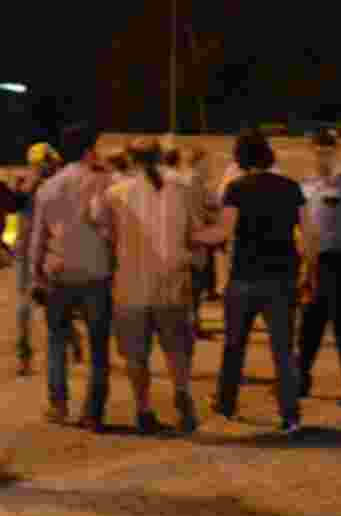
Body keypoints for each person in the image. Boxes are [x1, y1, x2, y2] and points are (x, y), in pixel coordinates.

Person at [194, 129, 305, 435]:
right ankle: (290, 413)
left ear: (240, 157)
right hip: (282, 278)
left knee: (234, 346)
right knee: (283, 351)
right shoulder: (291, 188)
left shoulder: (237, 189)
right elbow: (308, 236)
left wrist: (191, 237)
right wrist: (308, 273)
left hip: (244, 277)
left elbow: (223, 233)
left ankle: (227, 403)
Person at [91, 139, 202, 434]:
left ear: (130, 158)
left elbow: (101, 228)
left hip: (131, 286)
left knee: (136, 355)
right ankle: (181, 392)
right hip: (172, 282)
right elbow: (194, 231)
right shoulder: (180, 186)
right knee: (177, 349)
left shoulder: (115, 193)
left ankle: (144, 408)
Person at [29, 123, 114, 432]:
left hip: (59, 273)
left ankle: (59, 404)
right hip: (96, 272)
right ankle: (93, 412)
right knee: (98, 345)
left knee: (56, 342)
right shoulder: (105, 181)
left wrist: (36, 276)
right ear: (89, 148)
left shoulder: (49, 187)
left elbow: (38, 237)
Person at [295, 128, 341, 405]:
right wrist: (304, 265)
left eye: (327, 151)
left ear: (335, 152)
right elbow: (302, 230)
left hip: (339, 261)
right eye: (317, 150)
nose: (321, 156)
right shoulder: (305, 186)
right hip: (314, 262)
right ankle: (299, 381)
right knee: (309, 327)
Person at [12, 143, 69, 377]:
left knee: (33, 302)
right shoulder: (46, 183)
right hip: (41, 250)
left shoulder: (28, 182)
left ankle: (26, 354)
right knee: (44, 301)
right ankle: (26, 353)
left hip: (33, 250)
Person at [182, 147, 217, 340]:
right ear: (198, 162)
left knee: (194, 286)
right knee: (193, 286)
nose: (209, 167)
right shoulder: (193, 181)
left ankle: (193, 323)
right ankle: (192, 324)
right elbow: (195, 212)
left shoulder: (192, 180)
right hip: (194, 239)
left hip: (193, 238)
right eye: (207, 163)